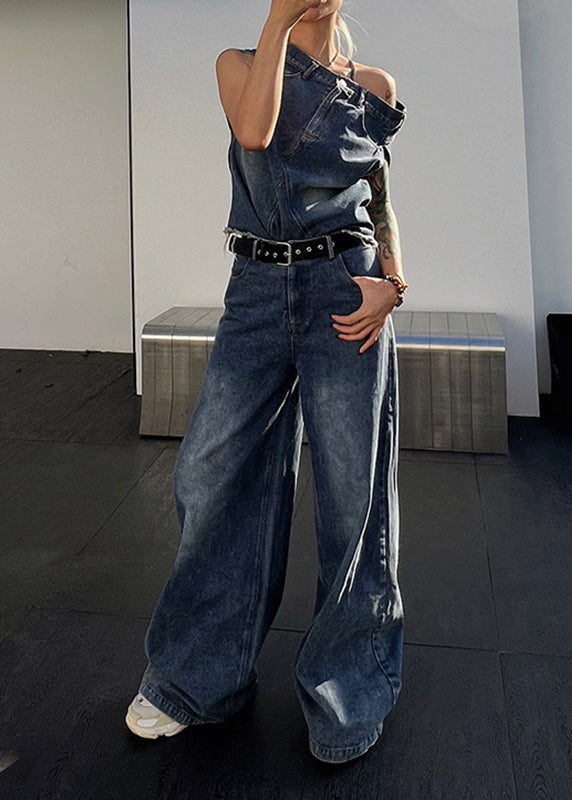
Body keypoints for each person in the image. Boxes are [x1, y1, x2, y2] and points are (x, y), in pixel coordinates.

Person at [126, 0, 408, 764]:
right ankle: (196, 681)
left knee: (353, 496)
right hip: (255, 291)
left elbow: (380, 191)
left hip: (345, 290)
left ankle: (348, 693)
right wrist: (280, 22)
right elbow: (255, 132)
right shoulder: (240, 65)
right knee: (212, 475)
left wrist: (394, 282)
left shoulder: (373, 84)